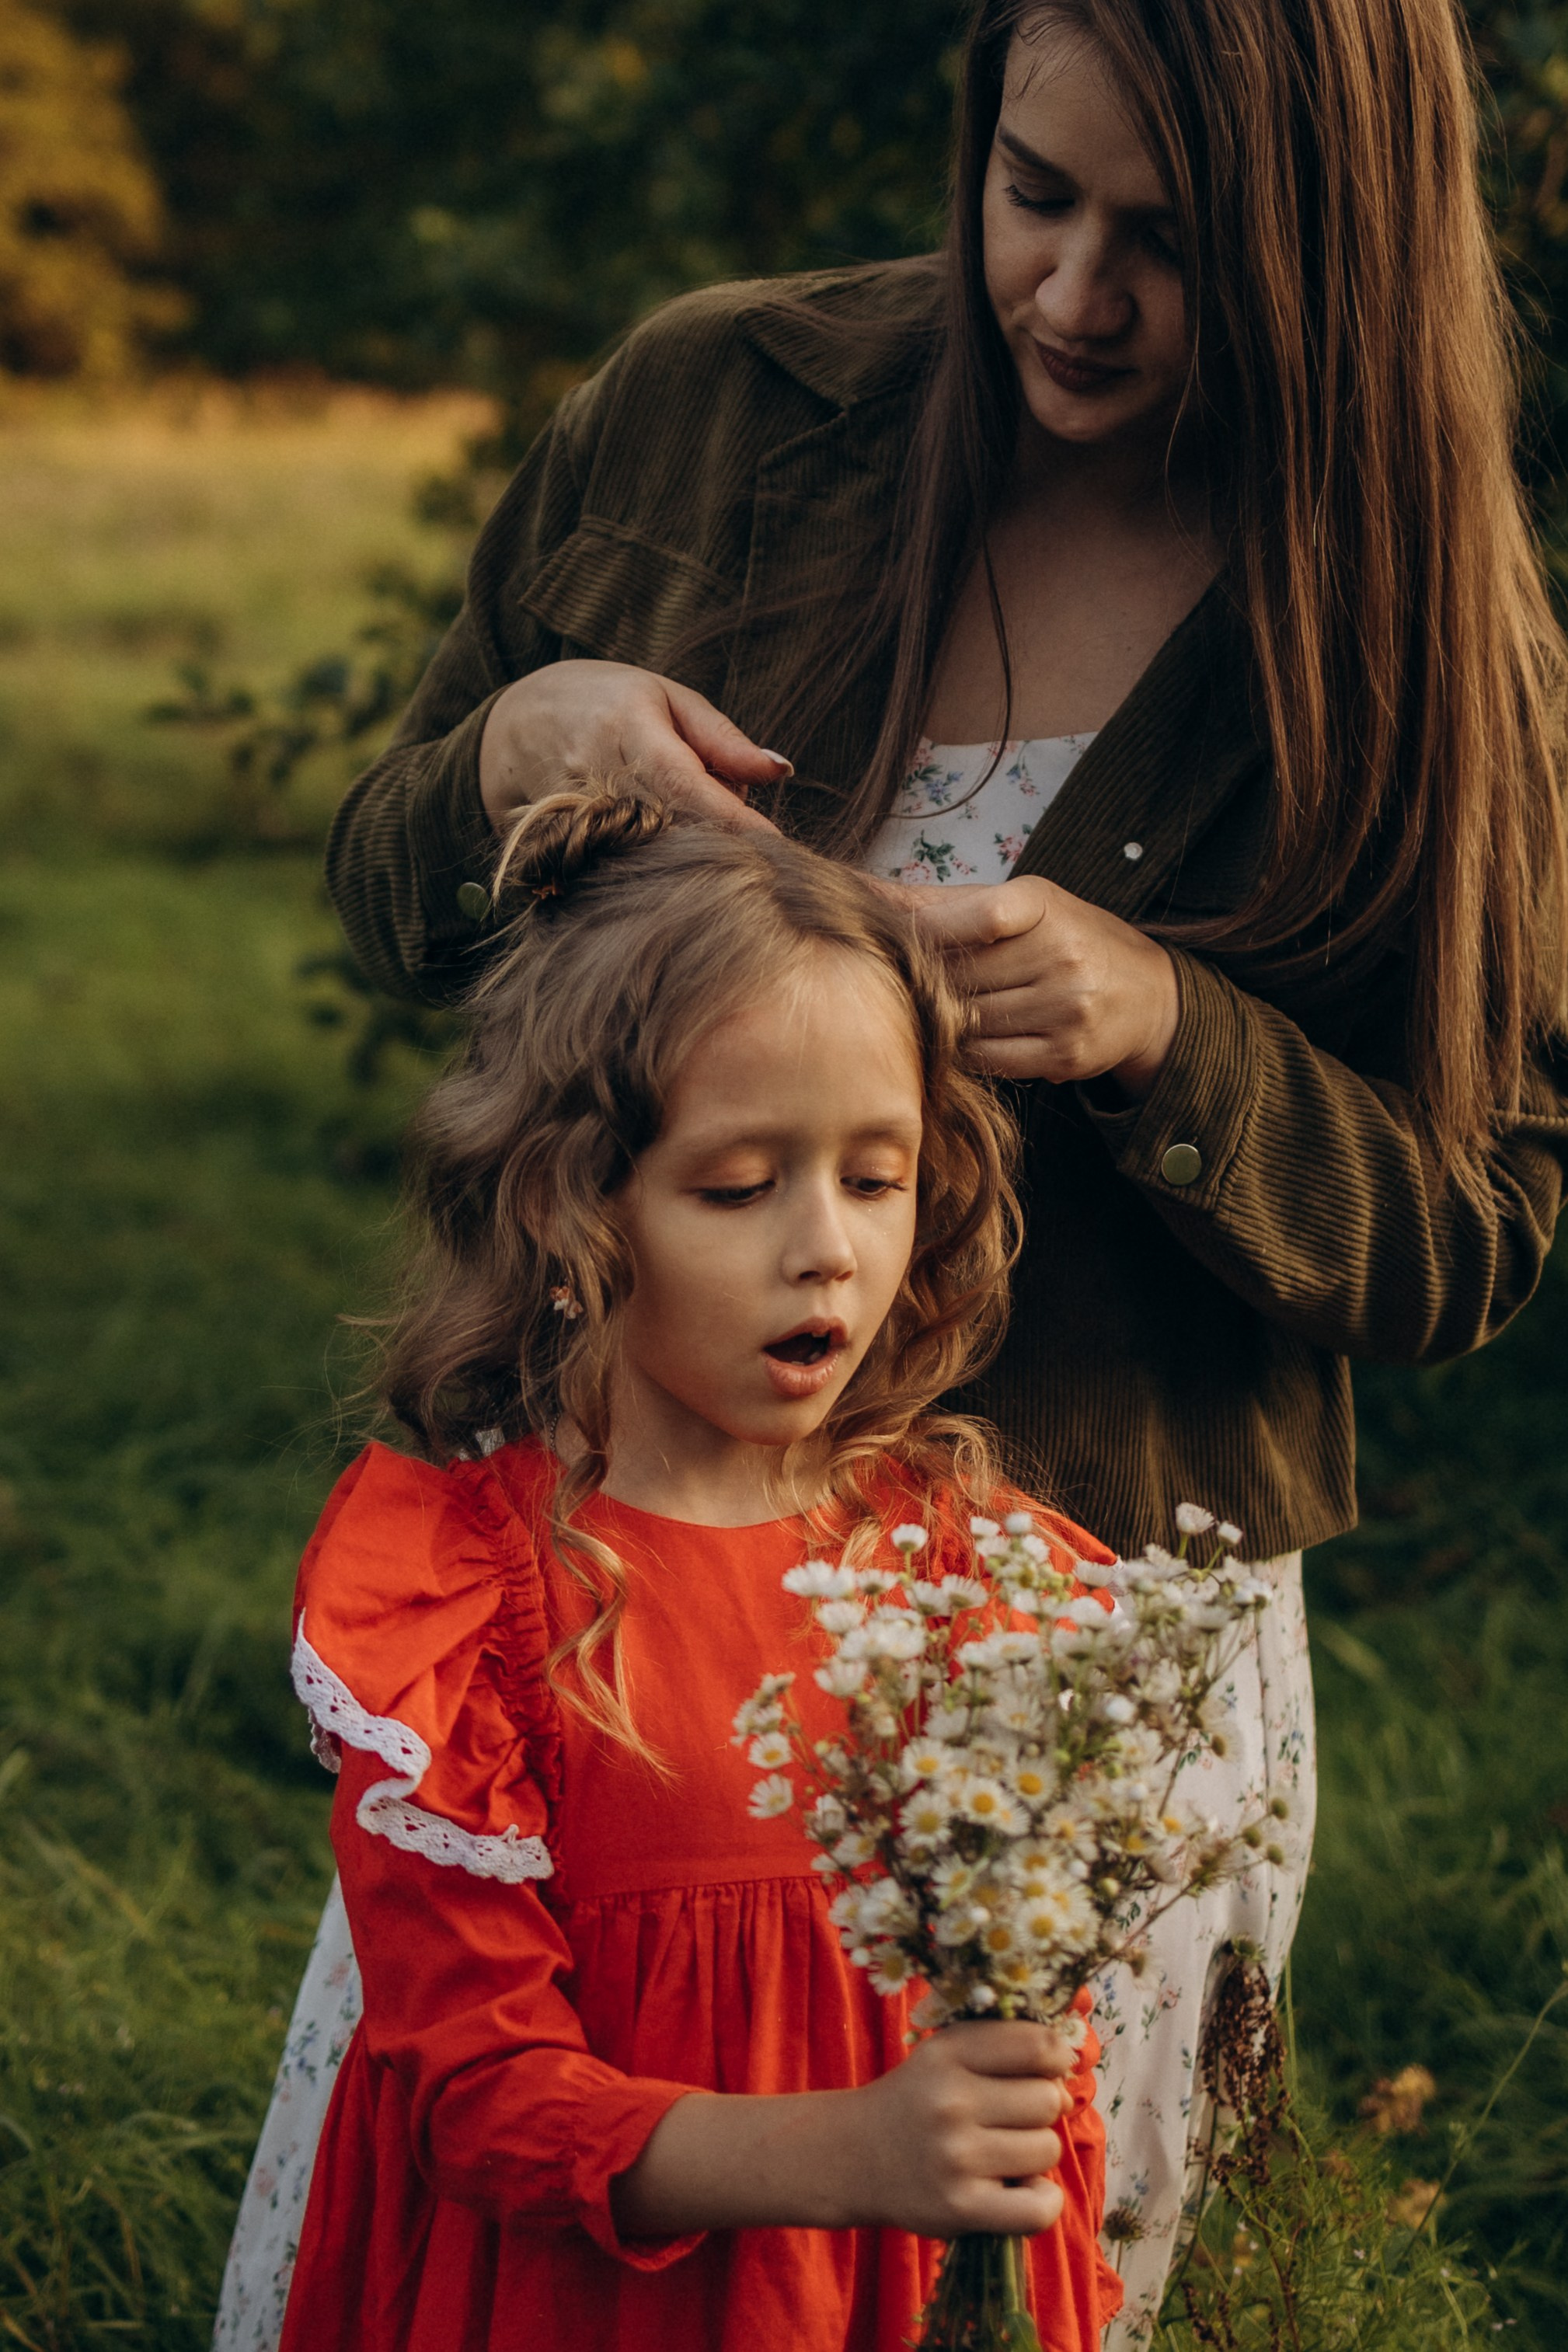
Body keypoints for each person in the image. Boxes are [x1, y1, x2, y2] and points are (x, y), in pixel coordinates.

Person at [218, 2, 1568, 2345]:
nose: (1072, 293)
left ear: (1332, 246)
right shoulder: (717, 407)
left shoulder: (1412, 626)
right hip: (614, 1607)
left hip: (1056, 1701)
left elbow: (1472, 1233)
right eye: (1032, 193)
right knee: (505, 2222)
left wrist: (1172, 1034)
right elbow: (390, 884)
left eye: (1173, 242)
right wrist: (512, 748)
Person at [271, 785, 1124, 2352]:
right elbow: (479, 2097)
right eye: (738, 1186)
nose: (828, 1248)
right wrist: (854, 2152)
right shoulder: (469, 1600)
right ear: (572, 1206)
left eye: (875, 1177)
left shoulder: (966, 1572)